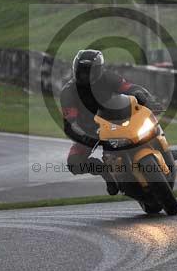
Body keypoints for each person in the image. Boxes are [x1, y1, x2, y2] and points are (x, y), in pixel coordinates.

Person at [60, 49, 156, 195]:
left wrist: (141, 94)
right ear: (75, 70)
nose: (85, 75)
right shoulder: (68, 92)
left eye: (89, 71)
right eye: (82, 71)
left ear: (99, 70)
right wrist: (80, 133)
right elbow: (70, 120)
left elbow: (128, 87)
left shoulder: (108, 77)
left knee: (146, 119)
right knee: (74, 163)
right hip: (90, 131)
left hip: (118, 120)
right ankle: (106, 173)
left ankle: (161, 146)